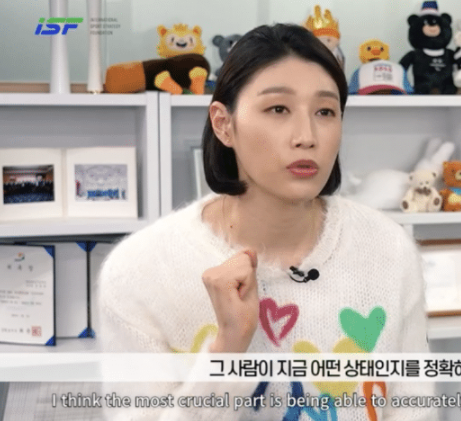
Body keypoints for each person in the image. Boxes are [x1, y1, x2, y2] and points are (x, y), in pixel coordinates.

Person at [97, 23, 436, 420]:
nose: (307, 136)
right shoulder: (138, 272)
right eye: (278, 109)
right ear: (224, 124)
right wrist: (227, 352)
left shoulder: (389, 248)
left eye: (325, 111)